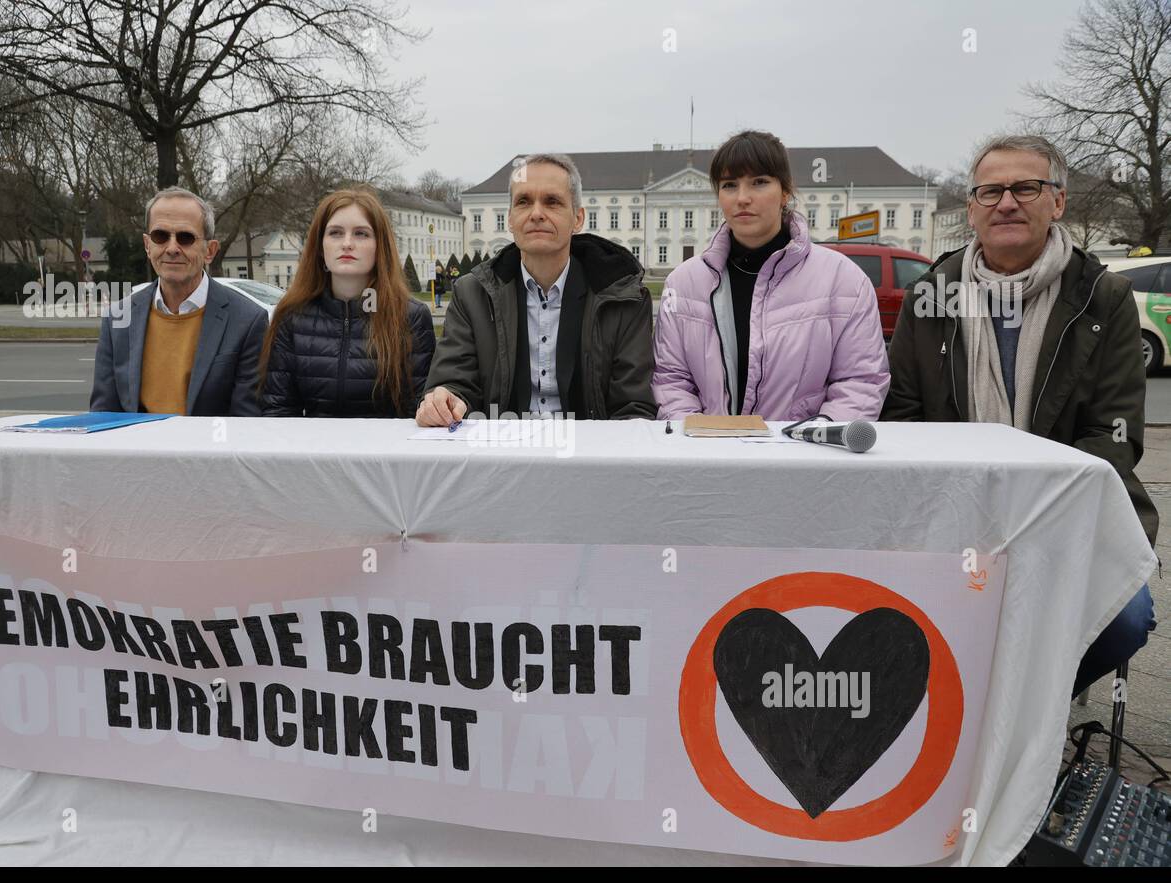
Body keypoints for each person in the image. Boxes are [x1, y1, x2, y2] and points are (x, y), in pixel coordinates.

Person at [883, 134, 1157, 697]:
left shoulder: (1103, 298)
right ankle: (969, 712)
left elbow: (1115, 435)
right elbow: (901, 419)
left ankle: (1034, 710)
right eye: (990, 191)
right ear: (972, 208)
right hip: (954, 515)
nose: (1006, 202)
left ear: (1057, 201)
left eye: (1025, 187)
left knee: (1127, 620)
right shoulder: (932, 296)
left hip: (1072, 516)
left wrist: (1034, 507)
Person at [652, 130, 889, 422]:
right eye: (729, 185)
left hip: (802, 459)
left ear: (785, 191)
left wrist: (811, 442)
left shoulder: (843, 281)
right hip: (708, 460)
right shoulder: (683, 284)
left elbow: (860, 382)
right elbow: (671, 380)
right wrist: (699, 444)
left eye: (759, 182)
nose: (742, 198)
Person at [418, 153, 655, 424]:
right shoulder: (472, 295)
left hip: (589, 456)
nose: (537, 213)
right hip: (502, 454)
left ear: (577, 218)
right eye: (524, 202)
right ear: (510, 218)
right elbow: (454, 382)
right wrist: (447, 399)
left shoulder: (623, 298)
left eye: (552, 202)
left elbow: (633, 406)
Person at [91, 186, 267, 416]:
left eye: (185, 238)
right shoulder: (117, 319)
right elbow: (103, 416)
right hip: (137, 450)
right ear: (147, 245)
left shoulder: (248, 321)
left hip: (211, 450)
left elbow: (245, 424)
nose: (172, 248)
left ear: (210, 250)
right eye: (160, 236)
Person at [259, 188, 434, 417]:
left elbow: (419, 411)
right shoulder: (292, 317)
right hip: (313, 450)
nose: (347, 243)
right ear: (320, 247)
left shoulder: (410, 317)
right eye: (335, 233)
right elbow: (277, 411)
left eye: (361, 233)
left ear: (380, 246)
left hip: (387, 450)